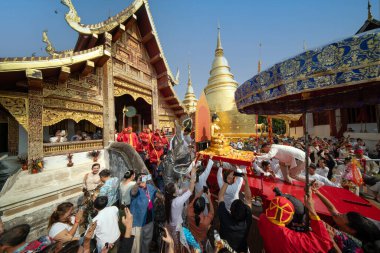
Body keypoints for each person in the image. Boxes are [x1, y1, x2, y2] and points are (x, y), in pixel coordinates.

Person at [258, 190, 333, 253]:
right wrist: (312, 211)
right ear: (288, 217)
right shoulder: (292, 239)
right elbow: (325, 243)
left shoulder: (263, 219)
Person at [313, 188, 380, 252]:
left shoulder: (358, 246)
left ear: (351, 230)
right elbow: (331, 209)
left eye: (342, 215)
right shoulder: (345, 224)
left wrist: (332, 241)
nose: (339, 214)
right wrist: (317, 192)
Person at [164, 165, 197, 252]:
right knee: (177, 247)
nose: (178, 188)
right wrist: (193, 174)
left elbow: (181, 191)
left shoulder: (168, 198)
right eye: (177, 187)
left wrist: (183, 190)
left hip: (169, 224)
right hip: (176, 228)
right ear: (174, 192)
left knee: (170, 243)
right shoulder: (177, 202)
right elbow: (191, 189)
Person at [218, 172, 252, 253]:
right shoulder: (247, 221)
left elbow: (220, 196)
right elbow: (248, 198)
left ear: (231, 211)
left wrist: (227, 181)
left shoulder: (224, 217)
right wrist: (246, 182)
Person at [130, 172, 157, 253]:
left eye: (144, 178)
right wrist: (137, 183)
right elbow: (133, 192)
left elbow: (156, 193)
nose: (143, 181)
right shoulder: (135, 189)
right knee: (137, 245)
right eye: (141, 179)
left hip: (149, 220)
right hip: (138, 222)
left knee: (147, 242)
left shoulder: (150, 187)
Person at [188, 186, 215, 250]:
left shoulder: (189, 210)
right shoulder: (205, 222)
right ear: (203, 209)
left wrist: (202, 191)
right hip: (202, 238)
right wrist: (209, 198)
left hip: (192, 233)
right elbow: (212, 212)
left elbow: (195, 198)